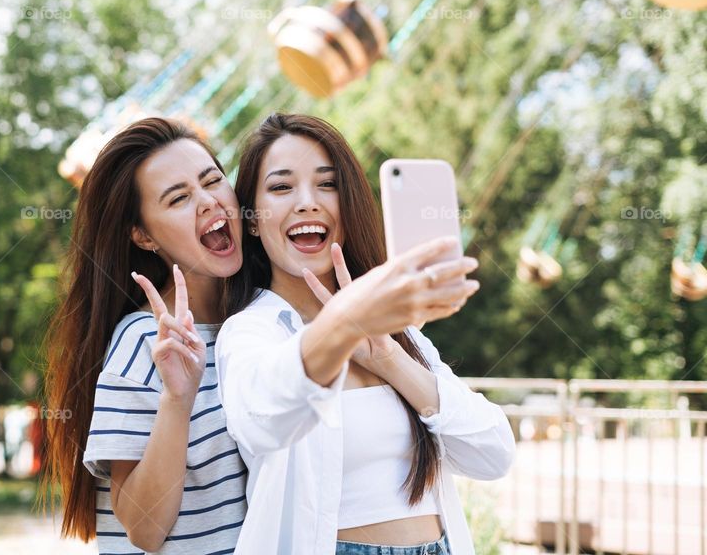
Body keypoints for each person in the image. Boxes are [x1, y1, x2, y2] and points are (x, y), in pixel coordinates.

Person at [217, 113, 516, 554]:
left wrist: (390, 359)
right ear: (254, 221)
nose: (307, 202)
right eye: (281, 188)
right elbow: (262, 417)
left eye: (327, 184)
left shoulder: (398, 333)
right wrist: (340, 326)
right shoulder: (252, 331)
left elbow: (493, 454)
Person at [42, 117, 247, 553]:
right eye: (179, 198)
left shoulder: (258, 322)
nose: (209, 201)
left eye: (213, 180)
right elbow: (144, 529)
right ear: (143, 235)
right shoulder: (145, 340)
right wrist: (178, 399)